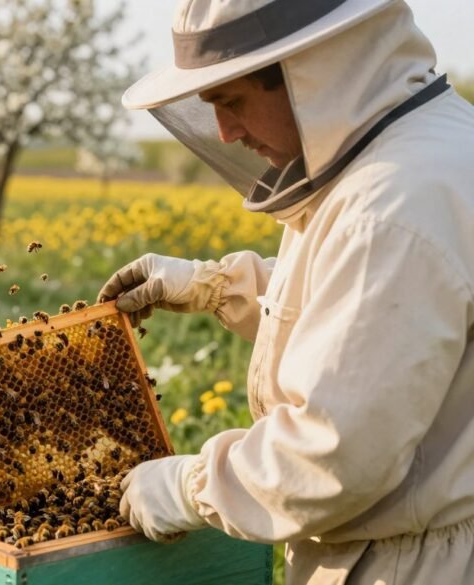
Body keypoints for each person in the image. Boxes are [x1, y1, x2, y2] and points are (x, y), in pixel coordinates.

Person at [98, 0, 474, 583]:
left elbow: (335, 454)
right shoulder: (427, 154)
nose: (226, 132)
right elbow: (378, 321)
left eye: (234, 101)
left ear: (313, 74)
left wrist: (188, 487)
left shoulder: (390, 206)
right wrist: (219, 286)